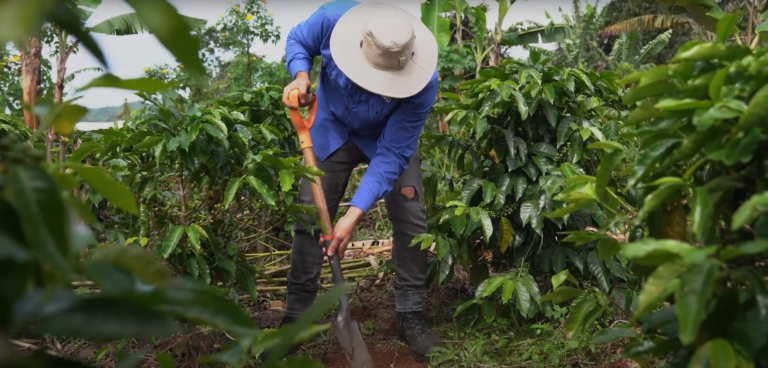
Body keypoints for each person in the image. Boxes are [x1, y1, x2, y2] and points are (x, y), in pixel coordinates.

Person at [262, 0, 443, 363]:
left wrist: (353, 216)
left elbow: (392, 154)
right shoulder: (333, 18)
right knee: (310, 215)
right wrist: (301, 75)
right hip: (332, 129)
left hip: (386, 139)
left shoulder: (424, 80)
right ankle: (296, 317)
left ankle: (410, 314)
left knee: (411, 215)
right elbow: (298, 40)